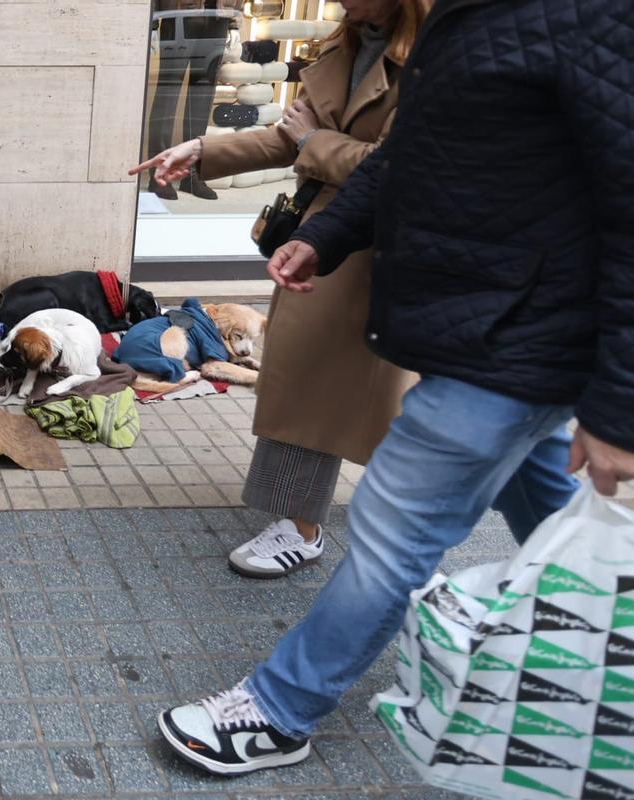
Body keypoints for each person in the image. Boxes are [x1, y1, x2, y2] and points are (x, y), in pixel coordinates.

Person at [155, 0, 634, 778]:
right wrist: (325, 234)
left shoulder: (588, 17)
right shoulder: (473, 18)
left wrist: (622, 407)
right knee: (553, 500)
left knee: (392, 530)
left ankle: (280, 711)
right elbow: (414, 153)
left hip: (512, 336)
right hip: (483, 327)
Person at [132, 0, 429, 579]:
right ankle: (301, 524)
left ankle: (411, 521)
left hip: (387, 251)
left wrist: (316, 142)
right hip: (322, 244)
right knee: (305, 385)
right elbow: (287, 136)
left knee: (396, 402)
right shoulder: (347, 43)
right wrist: (202, 151)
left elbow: (406, 170)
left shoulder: (438, 55)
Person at [145, 0, 236, 200]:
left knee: (203, 94)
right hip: (179, 13)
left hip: (217, 14)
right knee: (168, 91)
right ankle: (160, 174)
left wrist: (232, 21)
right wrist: (151, 21)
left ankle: (192, 174)